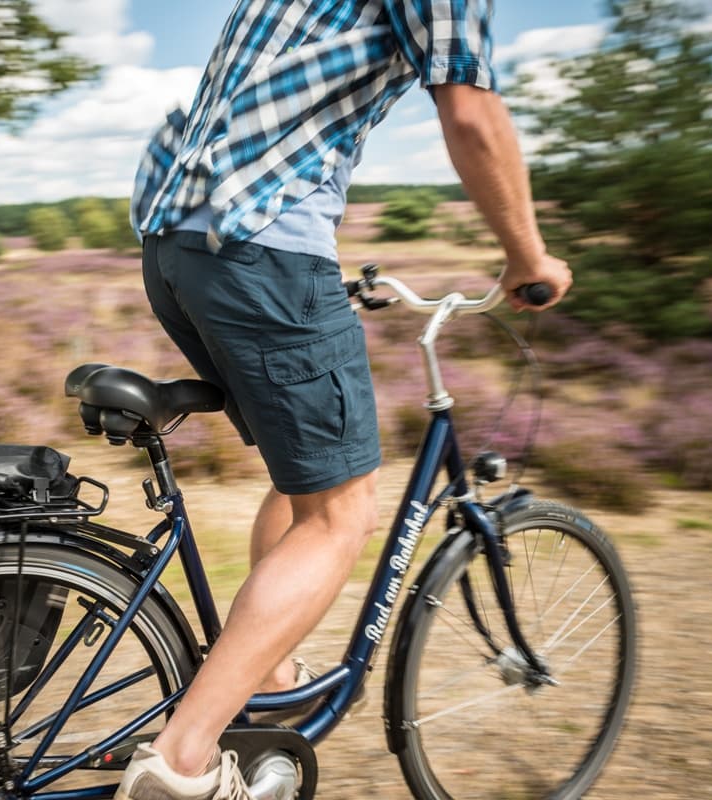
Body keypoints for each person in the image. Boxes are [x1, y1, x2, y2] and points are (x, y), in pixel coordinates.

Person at [119, 2, 572, 798]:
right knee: (343, 514)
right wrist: (527, 256)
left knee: (307, 487)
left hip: (174, 245)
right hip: (262, 249)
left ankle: (269, 681)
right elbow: (470, 110)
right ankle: (182, 763)